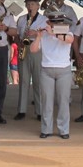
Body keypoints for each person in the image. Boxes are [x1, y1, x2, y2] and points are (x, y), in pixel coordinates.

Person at [31, 11, 74, 139]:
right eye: (52, 23)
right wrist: (38, 36)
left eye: (58, 23)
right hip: (47, 70)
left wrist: (54, 33)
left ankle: (64, 129)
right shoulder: (44, 34)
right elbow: (33, 50)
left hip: (63, 70)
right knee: (46, 101)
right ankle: (46, 129)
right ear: (48, 23)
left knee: (63, 101)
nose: (55, 25)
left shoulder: (67, 32)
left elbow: (70, 40)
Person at [14, 0, 46, 121]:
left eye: (32, 4)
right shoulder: (22, 19)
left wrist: (36, 34)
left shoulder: (44, 20)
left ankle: (39, 111)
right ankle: (21, 110)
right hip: (24, 48)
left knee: (38, 81)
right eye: (28, 4)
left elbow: (48, 35)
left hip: (37, 49)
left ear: (38, 6)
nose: (30, 6)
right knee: (24, 81)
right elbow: (16, 35)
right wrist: (19, 43)